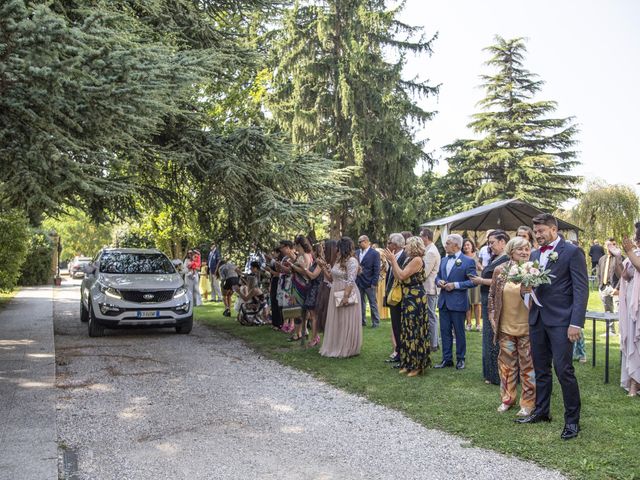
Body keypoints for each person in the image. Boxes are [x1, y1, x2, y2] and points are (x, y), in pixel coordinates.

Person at [515, 213, 588, 442]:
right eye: (535, 232)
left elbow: (581, 289)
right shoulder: (535, 255)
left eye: (541, 231)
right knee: (541, 369)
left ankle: (572, 421)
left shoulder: (572, 252)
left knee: (564, 370)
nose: (537, 235)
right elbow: (528, 287)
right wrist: (524, 290)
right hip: (537, 319)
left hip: (561, 321)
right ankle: (541, 411)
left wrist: (575, 323)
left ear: (553, 230)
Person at [488, 237, 536, 416]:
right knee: (507, 366)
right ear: (511, 251)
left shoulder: (534, 270)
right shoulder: (500, 270)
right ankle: (507, 399)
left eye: (527, 249)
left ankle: (528, 403)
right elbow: (492, 297)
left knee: (528, 366)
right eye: (520, 249)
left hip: (528, 327)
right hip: (505, 327)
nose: (524, 252)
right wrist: (493, 320)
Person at [384, 237, 431, 377]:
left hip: (415, 297)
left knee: (415, 330)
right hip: (407, 296)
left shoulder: (417, 260)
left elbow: (402, 275)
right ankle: (407, 362)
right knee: (406, 330)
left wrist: (393, 261)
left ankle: (417, 365)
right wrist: (392, 263)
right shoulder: (409, 259)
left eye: (407, 244)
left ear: (414, 246)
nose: (404, 246)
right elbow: (398, 276)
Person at [470, 229, 510, 385]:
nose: (489, 245)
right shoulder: (496, 258)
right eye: (489, 242)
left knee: (494, 335)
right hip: (487, 298)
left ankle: (498, 375)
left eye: (492, 242)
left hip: (496, 301)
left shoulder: (506, 259)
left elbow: (502, 281)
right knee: (488, 336)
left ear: (502, 242)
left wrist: (480, 281)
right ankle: (490, 373)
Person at [434, 234, 477, 370]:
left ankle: (460, 359)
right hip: (444, 302)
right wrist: (438, 281)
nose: (445, 245)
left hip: (458, 302)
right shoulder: (443, 260)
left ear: (456, 245)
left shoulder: (468, 261)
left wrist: (456, 285)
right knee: (445, 331)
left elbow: (472, 281)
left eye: (448, 243)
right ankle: (446, 359)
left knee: (459, 332)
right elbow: (438, 276)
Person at [319, 237, 362, 358]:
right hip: (335, 291)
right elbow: (332, 278)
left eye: (338, 247)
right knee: (337, 321)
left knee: (346, 320)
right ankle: (336, 344)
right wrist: (323, 267)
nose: (336, 249)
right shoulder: (338, 261)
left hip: (346, 292)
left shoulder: (352, 261)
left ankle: (347, 348)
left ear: (342, 248)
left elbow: (350, 281)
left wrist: (346, 297)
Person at [614, 223, 640, 396]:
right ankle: (634, 383)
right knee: (633, 340)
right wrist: (618, 257)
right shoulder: (635, 253)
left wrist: (629, 251)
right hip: (633, 302)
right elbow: (624, 275)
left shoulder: (634, 253)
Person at [384, 233, 407, 365]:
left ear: (396, 245)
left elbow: (400, 276)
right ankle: (398, 352)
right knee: (395, 325)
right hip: (392, 295)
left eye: (389, 243)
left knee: (400, 326)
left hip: (400, 297)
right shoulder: (394, 257)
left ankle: (402, 354)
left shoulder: (404, 257)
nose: (387, 245)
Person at [299, 242, 325, 347]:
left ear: (315, 251)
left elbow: (314, 276)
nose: (311, 254)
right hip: (312, 288)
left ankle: (315, 338)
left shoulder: (320, 263)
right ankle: (315, 336)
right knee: (312, 315)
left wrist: (304, 268)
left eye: (312, 252)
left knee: (314, 316)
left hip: (316, 289)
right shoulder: (315, 262)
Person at [596, 238, 624, 334]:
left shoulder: (620, 258)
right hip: (604, 287)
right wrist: (600, 285)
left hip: (616, 288)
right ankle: (610, 331)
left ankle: (622, 331)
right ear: (605, 246)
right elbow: (599, 273)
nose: (612, 246)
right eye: (609, 245)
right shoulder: (602, 259)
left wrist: (617, 288)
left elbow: (623, 275)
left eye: (614, 244)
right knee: (607, 310)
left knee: (619, 310)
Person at [420, 228, 441, 352]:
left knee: (431, 316)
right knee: (429, 315)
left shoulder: (431, 252)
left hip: (429, 289)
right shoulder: (428, 250)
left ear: (426, 237)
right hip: (427, 288)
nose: (420, 238)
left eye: (421, 236)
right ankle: (431, 341)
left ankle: (433, 343)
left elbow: (424, 273)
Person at [356, 235, 381, 328]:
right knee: (360, 303)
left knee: (372, 303)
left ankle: (376, 322)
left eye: (360, 242)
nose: (358, 244)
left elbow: (377, 269)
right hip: (359, 282)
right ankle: (362, 321)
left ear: (366, 241)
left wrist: (374, 283)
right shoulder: (357, 252)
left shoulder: (374, 253)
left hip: (370, 283)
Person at [315, 239, 337, 333]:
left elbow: (331, 278)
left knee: (328, 313)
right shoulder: (326, 259)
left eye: (325, 248)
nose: (323, 250)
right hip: (324, 287)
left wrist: (322, 267)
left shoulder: (335, 261)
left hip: (330, 289)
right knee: (322, 311)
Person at [462, 238, 482, 332]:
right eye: (465, 245)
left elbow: (483, 268)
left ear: (472, 246)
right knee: (467, 303)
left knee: (477, 303)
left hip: (477, 281)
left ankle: (478, 324)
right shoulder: (461, 257)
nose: (466, 247)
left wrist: (480, 266)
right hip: (466, 280)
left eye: (468, 245)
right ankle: (468, 324)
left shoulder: (478, 255)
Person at [375, 246, 390, 321]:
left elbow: (386, 269)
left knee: (381, 296)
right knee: (378, 297)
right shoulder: (381, 261)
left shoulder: (384, 262)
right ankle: (380, 314)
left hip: (382, 280)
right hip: (380, 280)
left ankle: (382, 314)